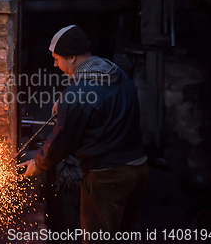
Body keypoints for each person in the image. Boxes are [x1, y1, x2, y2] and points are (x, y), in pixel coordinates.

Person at [21, 25, 148, 243]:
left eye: (56, 58)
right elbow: (100, 100)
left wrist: (38, 164)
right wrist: (64, 101)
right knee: (128, 233)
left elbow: (62, 142)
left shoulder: (78, 95)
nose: (54, 64)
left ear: (71, 57)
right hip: (138, 168)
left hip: (107, 177)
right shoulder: (114, 72)